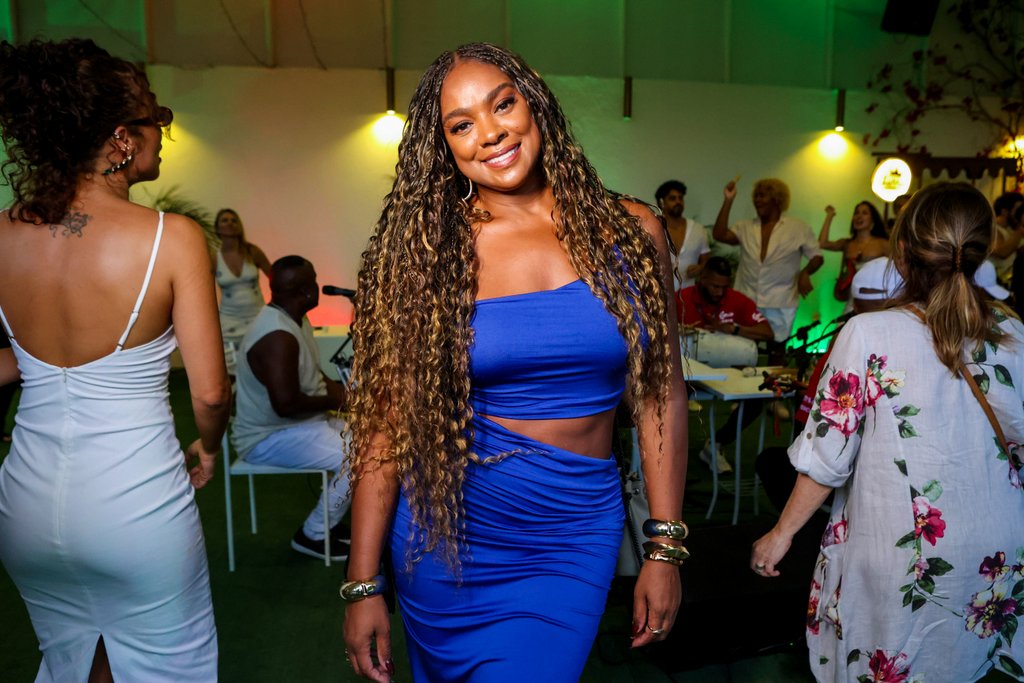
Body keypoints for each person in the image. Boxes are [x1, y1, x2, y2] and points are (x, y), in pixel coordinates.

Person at [341, 42, 688, 682]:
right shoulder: (427, 253)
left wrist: (664, 545)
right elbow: (386, 428)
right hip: (453, 534)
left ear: (537, 106)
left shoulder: (632, 230)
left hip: (575, 529)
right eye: (461, 124)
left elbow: (659, 393)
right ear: (443, 146)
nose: (490, 133)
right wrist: (364, 584)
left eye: (503, 105)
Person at [0, 38, 230, 681]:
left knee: (72, 663)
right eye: (159, 117)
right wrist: (209, 447)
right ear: (122, 139)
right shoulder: (173, 238)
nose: (165, 133)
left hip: (25, 504)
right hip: (136, 504)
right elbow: (210, 393)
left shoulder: (2, 233)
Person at [751, 182, 1024, 682]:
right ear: (982, 252)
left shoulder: (867, 333)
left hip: (903, 553)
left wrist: (781, 534)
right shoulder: (1013, 334)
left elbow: (827, 456)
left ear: (902, 251)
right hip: (1000, 551)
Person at [232, 255, 350, 560]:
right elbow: (285, 405)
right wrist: (338, 401)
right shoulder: (278, 336)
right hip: (267, 437)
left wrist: (349, 397)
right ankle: (313, 535)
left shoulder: (295, 319)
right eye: (314, 281)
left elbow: (313, 375)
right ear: (305, 291)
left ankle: (329, 521)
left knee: (370, 439)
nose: (317, 286)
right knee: (360, 458)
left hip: (297, 423)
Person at [677, 257, 773, 474]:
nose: (719, 292)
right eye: (714, 286)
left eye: (723, 286)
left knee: (755, 401)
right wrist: (675, 328)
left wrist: (736, 329)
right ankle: (670, 452)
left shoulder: (737, 300)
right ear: (702, 278)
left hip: (724, 372)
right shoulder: (681, 298)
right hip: (688, 373)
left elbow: (768, 333)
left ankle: (717, 443)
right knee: (672, 399)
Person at [711, 178, 823, 348]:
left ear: (777, 199)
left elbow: (817, 257)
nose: (757, 200)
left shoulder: (798, 228)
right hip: (746, 299)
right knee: (743, 348)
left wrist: (805, 273)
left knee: (777, 350)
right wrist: (728, 200)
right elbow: (719, 235)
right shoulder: (745, 226)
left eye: (762, 196)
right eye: (755, 196)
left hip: (781, 301)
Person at [212, 207, 271, 374]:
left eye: (234, 220)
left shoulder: (253, 252)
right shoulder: (214, 258)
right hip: (229, 320)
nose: (230, 223)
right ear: (217, 228)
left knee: (263, 367)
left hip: (257, 316)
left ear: (239, 226)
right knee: (232, 370)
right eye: (225, 220)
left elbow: (275, 277)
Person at [818, 201, 890, 302]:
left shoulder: (883, 244)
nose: (859, 216)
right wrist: (829, 216)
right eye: (856, 213)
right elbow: (822, 243)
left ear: (873, 221)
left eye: (864, 213)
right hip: (852, 298)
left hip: (876, 298)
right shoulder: (847, 244)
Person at [656, 179, 710, 289]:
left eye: (680, 198)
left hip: (688, 293)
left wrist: (700, 268)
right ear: (661, 203)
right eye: (672, 198)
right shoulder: (655, 227)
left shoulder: (698, 229)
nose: (678, 202)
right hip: (660, 292)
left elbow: (707, 261)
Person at [988, 191, 1023, 283]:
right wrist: (1020, 230)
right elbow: (1002, 252)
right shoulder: (991, 229)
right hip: (995, 282)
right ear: (1004, 212)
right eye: (1018, 210)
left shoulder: (1011, 230)